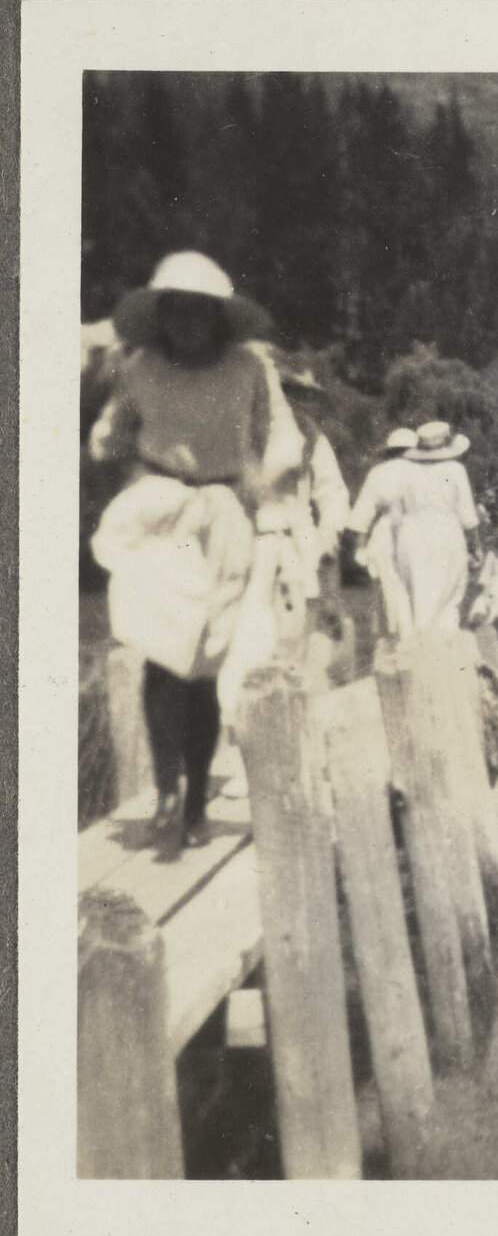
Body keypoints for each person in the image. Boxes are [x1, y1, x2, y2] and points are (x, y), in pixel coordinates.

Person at [86, 251, 290, 851]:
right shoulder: (142, 367)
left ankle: (197, 794)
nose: (189, 324)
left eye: (200, 313)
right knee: (157, 650)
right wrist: (118, 446)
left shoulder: (248, 369)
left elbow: (280, 437)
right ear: (162, 315)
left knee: (203, 664)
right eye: (177, 312)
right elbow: (108, 435)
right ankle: (167, 790)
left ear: (218, 318)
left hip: (223, 515)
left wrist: (265, 482)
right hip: (158, 510)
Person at [344, 427, 425, 637]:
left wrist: (360, 549)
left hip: (388, 533)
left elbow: (360, 518)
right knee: (423, 590)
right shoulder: (427, 471)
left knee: (393, 592)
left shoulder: (379, 473)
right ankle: (422, 644)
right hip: (423, 532)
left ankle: (401, 642)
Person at [404, 421, 483, 632]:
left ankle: (421, 644)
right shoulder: (455, 469)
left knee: (421, 591)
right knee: (450, 591)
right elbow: (467, 514)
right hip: (445, 530)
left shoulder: (410, 471)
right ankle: (444, 647)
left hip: (413, 532)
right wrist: (476, 547)